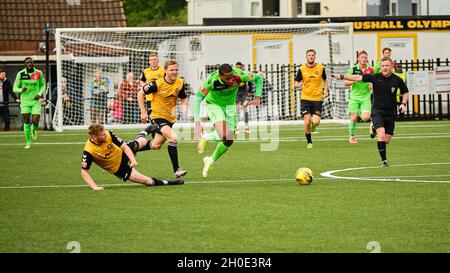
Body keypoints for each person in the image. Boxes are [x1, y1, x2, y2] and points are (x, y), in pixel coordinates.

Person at [333, 57, 409, 167]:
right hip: (378, 111)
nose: (385, 68)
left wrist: (403, 104)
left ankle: (373, 127)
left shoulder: (397, 80)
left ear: (391, 66)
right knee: (381, 135)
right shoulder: (375, 77)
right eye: (383, 66)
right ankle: (384, 161)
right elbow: (357, 77)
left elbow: (406, 92)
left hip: (391, 112)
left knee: (386, 140)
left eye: (387, 66)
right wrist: (341, 76)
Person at [194, 63, 263, 178]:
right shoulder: (212, 80)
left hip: (230, 107)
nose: (231, 80)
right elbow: (197, 100)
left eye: (232, 76)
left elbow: (258, 78)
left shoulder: (238, 75)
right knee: (224, 135)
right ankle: (206, 137)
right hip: (214, 105)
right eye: (227, 78)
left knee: (229, 140)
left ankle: (210, 161)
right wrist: (197, 123)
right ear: (220, 76)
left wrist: (257, 96)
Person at [81, 123, 184, 191]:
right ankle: (168, 182)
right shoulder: (89, 151)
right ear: (94, 137)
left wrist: (133, 160)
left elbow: (125, 147)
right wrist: (94, 187)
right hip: (118, 168)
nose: (105, 135)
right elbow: (84, 172)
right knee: (147, 182)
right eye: (102, 135)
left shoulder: (108, 134)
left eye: (104, 133)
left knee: (142, 142)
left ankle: (143, 133)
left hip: (122, 152)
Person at [137, 60, 189, 178]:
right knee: (173, 138)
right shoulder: (157, 84)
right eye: (171, 70)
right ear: (165, 71)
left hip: (170, 118)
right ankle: (177, 169)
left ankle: (131, 147)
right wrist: (143, 112)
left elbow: (184, 98)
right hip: (157, 116)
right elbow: (140, 93)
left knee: (155, 146)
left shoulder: (180, 82)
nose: (174, 72)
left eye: (176, 69)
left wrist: (184, 108)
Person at [294, 49, 329, 149]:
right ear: (306, 57)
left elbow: (325, 80)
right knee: (306, 121)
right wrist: (298, 85)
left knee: (316, 122)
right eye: (309, 55)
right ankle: (309, 142)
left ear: (315, 56)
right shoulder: (301, 69)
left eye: (312, 55)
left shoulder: (321, 67)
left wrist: (325, 91)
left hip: (318, 98)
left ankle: (313, 125)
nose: (311, 57)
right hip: (305, 98)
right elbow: (296, 83)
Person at [13, 57, 46, 148]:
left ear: (33, 63)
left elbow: (43, 85)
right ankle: (28, 143)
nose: (29, 64)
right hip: (25, 102)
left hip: (35, 101)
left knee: (35, 121)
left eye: (31, 62)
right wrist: (21, 89)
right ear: (25, 64)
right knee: (26, 121)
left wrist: (39, 94)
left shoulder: (39, 73)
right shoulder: (20, 74)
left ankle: (34, 129)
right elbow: (14, 88)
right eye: (27, 63)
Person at [345, 51, 374, 144]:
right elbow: (345, 83)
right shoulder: (353, 69)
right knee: (353, 118)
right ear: (358, 58)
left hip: (365, 98)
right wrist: (354, 80)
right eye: (362, 57)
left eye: (365, 57)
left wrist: (372, 84)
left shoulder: (370, 70)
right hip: (354, 98)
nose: (364, 59)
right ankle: (352, 136)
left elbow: (375, 81)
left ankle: (372, 123)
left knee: (366, 118)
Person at [138, 52, 165, 123]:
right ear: (149, 61)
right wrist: (145, 85)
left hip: (161, 98)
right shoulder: (145, 71)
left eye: (155, 59)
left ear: (158, 61)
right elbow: (141, 81)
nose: (153, 61)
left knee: (162, 117)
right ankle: (155, 132)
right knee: (152, 118)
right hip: (150, 98)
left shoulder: (163, 71)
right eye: (151, 60)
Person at [234, 62, 253, 134]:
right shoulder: (233, 74)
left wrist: (250, 91)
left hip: (244, 93)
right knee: (236, 110)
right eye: (237, 67)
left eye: (239, 67)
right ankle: (236, 128)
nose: (238, 68)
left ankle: (246, 127)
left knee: (245, 109)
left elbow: (250, 82)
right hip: (236, 93)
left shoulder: (245, 74)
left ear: (242, 67)